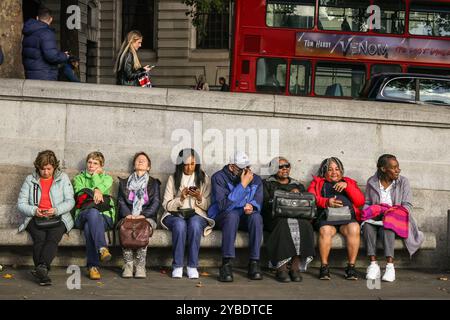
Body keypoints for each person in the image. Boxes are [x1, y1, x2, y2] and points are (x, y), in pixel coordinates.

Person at [362, 154, 424, 282]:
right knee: (367, 226)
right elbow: (367, 202)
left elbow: (407, 205)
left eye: (398, 167)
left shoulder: (403, 182)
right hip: (377, 217)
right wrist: (369, 211)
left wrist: (391, 212)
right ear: (384, 169)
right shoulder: (371, 182)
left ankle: (390, 266)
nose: (398, 170)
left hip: (396, 219)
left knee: (388, 226)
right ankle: (373, 265)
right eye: (394, 167)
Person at [17, 150, 75, 286]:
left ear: (54, 167)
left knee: (53, 237)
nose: (46, 172)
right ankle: (42, 272)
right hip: (35, 218)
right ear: (37, 167)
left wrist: (56, 210)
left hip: (58, 217)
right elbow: (21, 204)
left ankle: (41, 268)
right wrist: (34, 210)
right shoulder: (30, 180)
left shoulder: (63, 178)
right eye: (42, 169)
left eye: (49, 169)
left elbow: (70, 201)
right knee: (39, 237)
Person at [208, 151, 264, 282]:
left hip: (244, 216)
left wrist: (252, 206)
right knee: (232, 215)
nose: (246, 171)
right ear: (231, 166)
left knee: (256, 217)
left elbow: (258, 200)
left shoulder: (255, 179)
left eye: (247, 167)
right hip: (223, 216)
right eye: (241, 168)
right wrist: (243, 185)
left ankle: (254, 262)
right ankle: (226, 264)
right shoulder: (218, 177)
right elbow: (224, 206)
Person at [307, 157, 364, 281]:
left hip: (347, 219)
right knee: (325, 230)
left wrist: (347, 186)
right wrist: (326, 202)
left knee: (354, 227)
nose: (334, 172)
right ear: (324, 172)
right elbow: (310, 199)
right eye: (330, 169)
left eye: (337, 169)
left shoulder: (349, 182)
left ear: (341, 171)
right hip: (326, 219)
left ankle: (351, 267)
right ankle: (324, 267)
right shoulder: (317, 182)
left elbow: (360, 201)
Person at [161, 149, 214, 279]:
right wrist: (181, 198)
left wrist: (199, 197)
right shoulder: (173, 178)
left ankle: (192, 266)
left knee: (195, 224)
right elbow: (166, 204)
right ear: (180, 164)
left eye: (192, 164)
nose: (189, 167)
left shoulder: (204, 179)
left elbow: (208, 205)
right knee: (180, 225)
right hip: (175, 215)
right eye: (186, 164)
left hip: (197, 215)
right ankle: (178, 266)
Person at [262, 157, 315, 283]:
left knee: (305, 225)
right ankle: (281, 268)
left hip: (297, 217)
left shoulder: (298, 185)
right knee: (283, 224)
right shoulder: (267, 183)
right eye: (280, 167)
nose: (284, 168)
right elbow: (264, 203)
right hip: (275, 217)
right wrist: (285, 196)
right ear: (273, 169)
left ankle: (295, 267)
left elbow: (307, 205)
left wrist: (298, 195)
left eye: (287, 165)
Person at [73, 151, 116, 280]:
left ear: (101, 166)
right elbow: (80, 193)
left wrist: (96, 181)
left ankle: (93, 267)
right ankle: (102, 248)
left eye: (95, 163)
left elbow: (101, 188)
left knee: (89, 226)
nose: (91, 165)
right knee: (92, 212)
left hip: (105, 217)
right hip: (83, 214)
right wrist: (97, 191)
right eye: (89, 162)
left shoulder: (107, 178)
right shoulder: (78, 178)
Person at [117, 152, 161, 279]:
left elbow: (156, 202)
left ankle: (141, 265)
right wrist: (128, 215)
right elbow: (120, 201)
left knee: (143, 228)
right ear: (134, 165)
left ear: (148, 167)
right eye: (138, 160)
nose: (140, 161)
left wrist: (143, 215)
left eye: (144, 160)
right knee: (125, 227)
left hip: (146, 218)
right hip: (128, 217)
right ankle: (128, 265)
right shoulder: (124, 183)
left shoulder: (154, 183)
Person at [22, 7, 69, 80]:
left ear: (37, 18)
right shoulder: (46, 33)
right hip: (45, 74)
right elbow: (51, 56)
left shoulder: (28, 32)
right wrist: (64, 56)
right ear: (51, 19)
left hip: (30, 73)